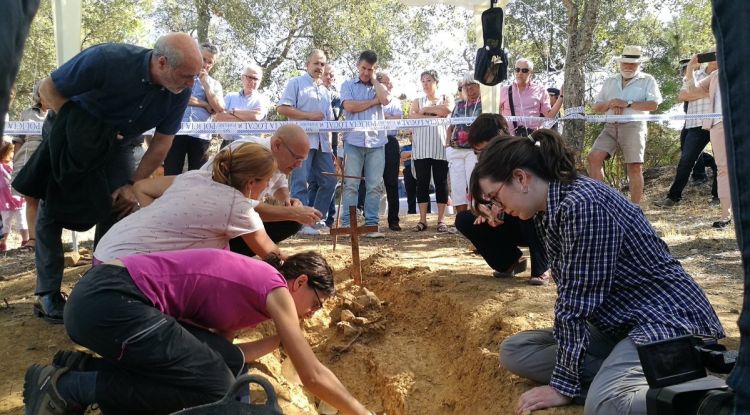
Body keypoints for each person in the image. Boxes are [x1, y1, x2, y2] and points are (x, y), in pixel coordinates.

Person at [469, 129, 724, 414]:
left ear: (520, 177)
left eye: (495, 197)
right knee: (516, 351)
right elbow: (571, 302)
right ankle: (650, 375)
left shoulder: (584, 205)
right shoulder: (551, 206)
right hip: (619, 323)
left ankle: (716, 401)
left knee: (606, 405)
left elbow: (576, 305)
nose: (498, 209)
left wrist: (562, 386)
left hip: (663, 320)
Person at [23, 249, 375, 415]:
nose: (314, 312)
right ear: (299, 282)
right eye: (316, 302)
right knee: (216, 388)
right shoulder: (274, 288)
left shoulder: (251, 295)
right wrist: (359, 412)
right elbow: (311, 374)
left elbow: (223, 354)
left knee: (218, 368)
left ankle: (84, 370)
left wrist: (281, 340)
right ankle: (68, 388)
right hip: (113, 300)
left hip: (105, 302)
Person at [12, 33, 202, 324]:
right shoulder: (107, 59)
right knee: (53, 207)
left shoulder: (180, 91)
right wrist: (83, 130)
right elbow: (49, 89)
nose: (191, 84)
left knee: (120, 206)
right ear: (161, 62)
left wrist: (133, 185)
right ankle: (47, 293)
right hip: (71, 133)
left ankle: (98, 285)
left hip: (121, 144)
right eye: (187, 76)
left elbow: (162, 143)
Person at [93, 142, 281, 263]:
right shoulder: (238, 207)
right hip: (126, 271)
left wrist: (162, 222)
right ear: (251, 182)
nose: (268, 185)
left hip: (105, 253)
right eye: (268, 180)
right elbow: (273, 256)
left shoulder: (196, 176)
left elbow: (141, 186)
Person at [456, 113, 550, 285]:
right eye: (478, 152)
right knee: (464, 219)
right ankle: (509, 262)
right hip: (506, 221)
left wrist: (502, 204)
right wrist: (483, 210)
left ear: (500, 138)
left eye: (485, 150)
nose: (482, 156)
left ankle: (542, 266)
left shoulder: (524, 156)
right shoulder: (483, 168)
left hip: (535, 222)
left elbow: (535, 197)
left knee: (525, 208)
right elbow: (476, 198)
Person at [204, 125, 324, 253]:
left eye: (302, 160)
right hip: (211, 225)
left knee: (291, 222)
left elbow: (279, 183)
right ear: (277, 145)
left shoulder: (273, 155)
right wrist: (295, 213)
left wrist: (287, 202)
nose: (299, 166)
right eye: (297, 158)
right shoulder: (250, 153)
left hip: (229, 218)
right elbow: (240, 206)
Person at [587, 45, 663, 204]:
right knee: (594, 157)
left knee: (634, 166)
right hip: (609, 126)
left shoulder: (648, 79)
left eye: (632, 63)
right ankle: (601, 202)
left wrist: (626, 103)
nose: (628, 66)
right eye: (625, 63)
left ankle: (635, 210)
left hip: (634, 126)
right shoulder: (610, 80)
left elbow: (653, 105)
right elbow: (597, 106)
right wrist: (610, 104)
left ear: (639, 65)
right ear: (620, 64)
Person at [277, 49, 336, 236]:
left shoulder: (326, 91)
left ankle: (314, 220)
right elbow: (282, 108)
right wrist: (309, 116)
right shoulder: (295, 83)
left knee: (330, 181)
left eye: (322, 64)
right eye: (316, 63)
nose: (319, 67)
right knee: (300, 182)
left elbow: (329, 120)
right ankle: (299, 224)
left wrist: (332, 146)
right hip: (300, 142)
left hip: (322, 144)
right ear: (307, 64)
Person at [654, 58, 719, 209]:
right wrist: (708, 91)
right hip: (695, 124)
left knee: (721, 162)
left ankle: (717, 197)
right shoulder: (693, 74)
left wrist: (696, 91)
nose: (715, 57)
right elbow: (682, 96)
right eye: (712, 54)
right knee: (686, 161)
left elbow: (692, 92)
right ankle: (673, 197)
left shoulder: (724, 75)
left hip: (718, 123)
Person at [339, 50, 390, 238]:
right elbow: (349, 106)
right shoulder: (347, 85)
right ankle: (347, 225)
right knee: (351, 184)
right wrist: (373, 101)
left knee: (375, 185)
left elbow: (385, 99)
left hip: (377, 142)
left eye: (370, 69)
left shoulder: (379, 85)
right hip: (353, 141)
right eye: (364, 68)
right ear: (357, 65)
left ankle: (371, 226)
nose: (366, 72)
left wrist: (376, 82)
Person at [683, 54, 730, 228]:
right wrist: (690, 69)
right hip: (718, 124)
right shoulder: (715, 75)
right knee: (724, 169)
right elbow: (692, 91)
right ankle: (726, 216)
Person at [163, 42, 224, 174]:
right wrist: (205, 104)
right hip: (176, 131)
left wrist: (206, 85)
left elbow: (218, 108)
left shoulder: (215, 85)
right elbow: (177, 96)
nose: (206, 64)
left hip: (201, 135)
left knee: (197, 177)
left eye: (210, 62)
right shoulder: (181, 76)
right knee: (171, 173)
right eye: (204, 59)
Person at [409, 69, 453, 233]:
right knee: (422, 182)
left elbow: (446, 110)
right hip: (421, 147)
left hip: (440, 146)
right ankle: (422, 220)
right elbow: (412, 116)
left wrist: (424, 111)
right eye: (423, 81)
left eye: (429, 80)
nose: (426, 84)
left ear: (436, 82)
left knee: (441, 182)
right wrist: (433, 114)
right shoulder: (416, 100)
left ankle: (441, 220)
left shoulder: (445, 97)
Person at [10, 80, 48, 252]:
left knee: (49, 200)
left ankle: (48, 238)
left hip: (50, 158)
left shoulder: (59, 112)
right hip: (28, 158)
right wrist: (16, 161)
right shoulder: (26, 113)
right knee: (31, 199)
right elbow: (18, 139)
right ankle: (32, 239)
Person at [446, 72, 482, 214]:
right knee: (457, 185)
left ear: (479, 86)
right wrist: (448, 143)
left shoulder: (485, 104)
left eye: (471, 85)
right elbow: (451, 126)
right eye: (465, 86)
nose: (468, 88)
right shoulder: (459, 104)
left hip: (474, 150)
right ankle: (461, 218)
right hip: (455, 149)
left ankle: (477, 215)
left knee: (474, 183)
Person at [498, 58, 563, 137]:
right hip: (508, 140)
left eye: (524, 70)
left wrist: (561, 97)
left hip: (532, 140)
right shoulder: (504, 90)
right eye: (517, 70)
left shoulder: (540, 91)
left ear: (531, 73)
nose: (520, 73)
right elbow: (495, 114)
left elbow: (549, 116)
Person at [214, 64, 270, 146]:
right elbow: (219, 116)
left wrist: (232, 111)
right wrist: (246, 120)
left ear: (260, 81)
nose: (252, 81)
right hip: (226, 144)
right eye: (249, 77)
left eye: (255, 78)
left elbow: (256, 116)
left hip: (248, 146)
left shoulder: (263, 99)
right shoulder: (230, 96)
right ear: (242, 77)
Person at [378, 71, 403, 231]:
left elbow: (397, 120)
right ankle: (369, 220)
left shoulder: (395, 101)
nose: (391, 85)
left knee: (392, 182)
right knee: (370, 183)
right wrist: (387, 117)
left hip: (390, 143)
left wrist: (385, 117)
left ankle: (393, 220)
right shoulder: (372, 99)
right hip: (372, 143)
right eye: (387, 82)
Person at [0, 139, 28, 251]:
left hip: (18, 199)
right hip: (4, 201)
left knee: (22, 221)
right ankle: (3, 243)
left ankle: (26, 240)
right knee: (6, 223)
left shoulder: (14, 164)